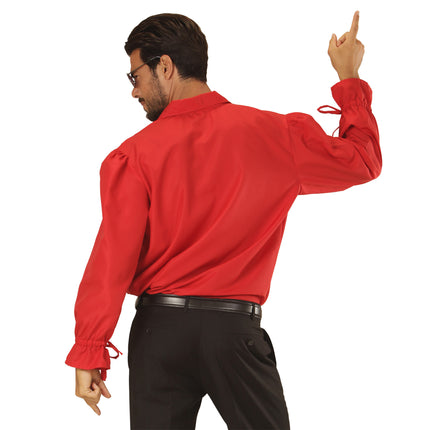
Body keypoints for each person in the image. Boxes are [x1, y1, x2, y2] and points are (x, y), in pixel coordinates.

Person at [66, 11, 382, 430]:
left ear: (165, 66)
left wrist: (90, 348)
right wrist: (349, 79)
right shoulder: (275, 136)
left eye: (135, 76)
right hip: (233, 329)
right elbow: (362, 161)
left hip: (159, 333)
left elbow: (112, 258)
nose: (134, 91)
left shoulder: (135, 155)